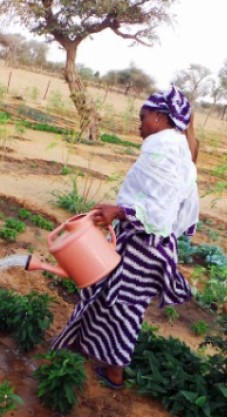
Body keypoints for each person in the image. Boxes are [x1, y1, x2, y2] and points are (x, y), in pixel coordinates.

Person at [52, 85, 199, 389]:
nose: (139, 124)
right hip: (144, 239)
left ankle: (115, 371)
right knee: (104, 291)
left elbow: (158, 210)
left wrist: (118, 211)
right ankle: (82, 346)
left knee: (124, 304)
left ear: (160, 117)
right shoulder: (174, 145)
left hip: (146, 244)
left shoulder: (163, 146)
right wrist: (119, 213)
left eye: (143, 117)